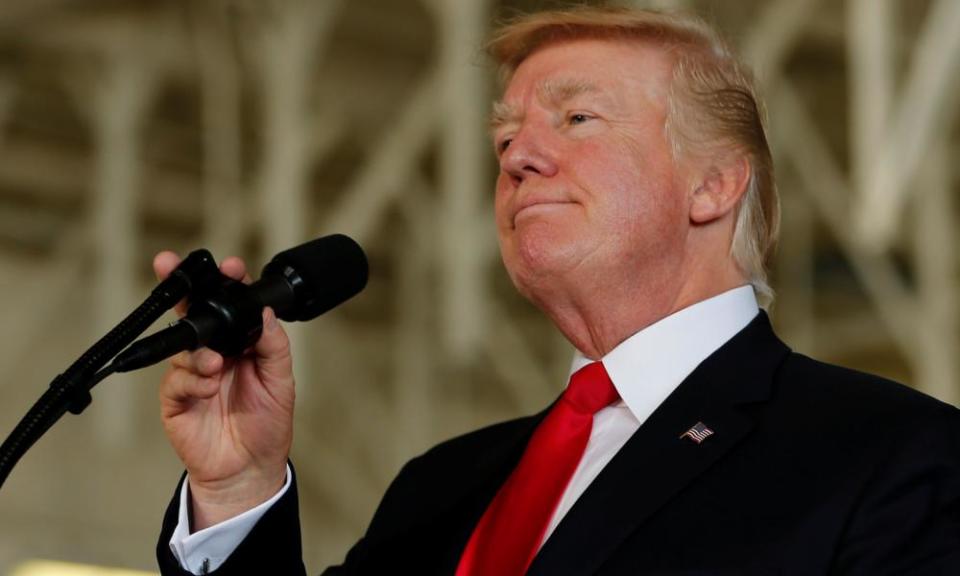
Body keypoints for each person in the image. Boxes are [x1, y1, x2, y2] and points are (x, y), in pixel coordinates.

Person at [154, 7, 960, 575]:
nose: (517, 157)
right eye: (506, 135)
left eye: (576, 120)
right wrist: (239, 490)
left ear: (713, 185)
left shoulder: (896, 457)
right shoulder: (442, 487)